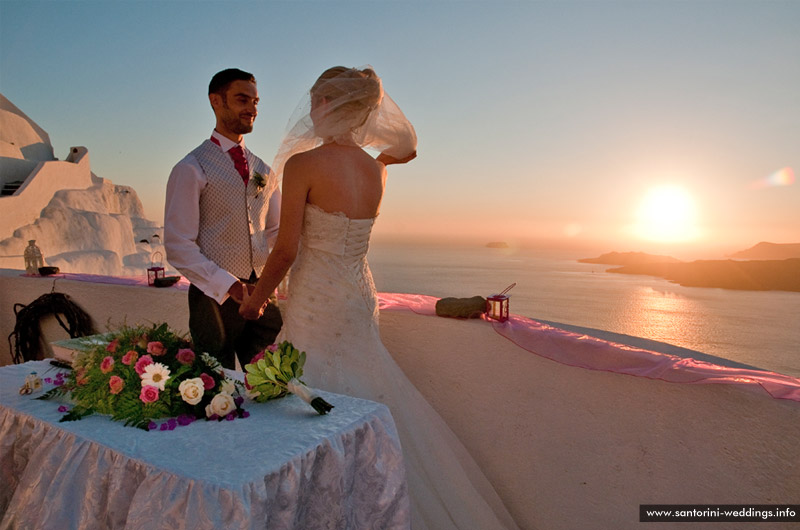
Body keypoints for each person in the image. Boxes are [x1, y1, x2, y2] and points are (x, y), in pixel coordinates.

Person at [240, 66, 520, 530]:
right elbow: (402, 152)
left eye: (314, 101)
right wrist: (387, 156)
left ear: (327, 106)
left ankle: (323, 502)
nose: (309, 111)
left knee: (314, 396)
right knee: (360, 387)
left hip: (317, 297)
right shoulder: (374, 170)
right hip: (357, 292)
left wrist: (256, 301)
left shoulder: (304, 165)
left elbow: (287, 248)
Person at [164, 68, 282, 370]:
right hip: (212, 298)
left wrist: (267, 285)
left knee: (273, 381)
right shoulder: (190, 168)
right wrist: (229, 286)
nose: (252, 109)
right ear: (216, 101)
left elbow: (276, 233)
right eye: (243, 100)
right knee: (217, 390)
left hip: (261, 296)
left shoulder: (265, 171)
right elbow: (178, 245)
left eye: (256, 102)